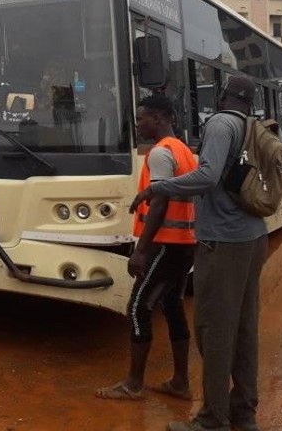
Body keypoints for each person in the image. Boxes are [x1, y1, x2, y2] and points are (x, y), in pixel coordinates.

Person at [130, 76, 266, 431]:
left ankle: (212, 419)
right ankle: (243, 412)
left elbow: (207, 177)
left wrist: (158, 189)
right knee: (244, 327)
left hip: (223, 243)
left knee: (213, 330)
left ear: (222, 96)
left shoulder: (221, 123)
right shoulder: (251, 125)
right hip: (253, 237)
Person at [96, 95, 197, 402]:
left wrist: (141, 250)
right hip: (183, 245)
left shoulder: (161, 153)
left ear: (159, 118)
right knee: (172, 305)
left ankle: (133, 384)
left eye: (142, 118)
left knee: (139, 308)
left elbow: (160, 201)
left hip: (164, 245)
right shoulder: (184, 150)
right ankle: (180, 382)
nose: (138, 124)